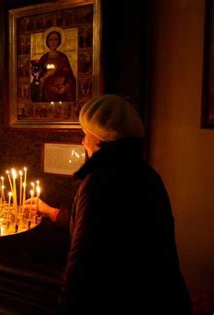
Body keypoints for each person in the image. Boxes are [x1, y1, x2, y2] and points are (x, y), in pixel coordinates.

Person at [25, 95, 192, 314]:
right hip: (162, 298)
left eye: (86, 134)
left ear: (102, 137)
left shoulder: (99, 181)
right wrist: (50, 211)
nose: (83, 141)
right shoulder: (148, 175)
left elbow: (83, 258)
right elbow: (99, 228)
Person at [37, 30, 76, 102]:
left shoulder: (63, 57)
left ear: (59, 41)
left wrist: (66, 87)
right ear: (47, 42)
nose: (53, 42)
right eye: (51, 40)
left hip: (61, 88)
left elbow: (69, 76)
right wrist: (45, 77)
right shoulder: (44, 58)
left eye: (56, 39)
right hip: (47, 88)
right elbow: (38, 75)